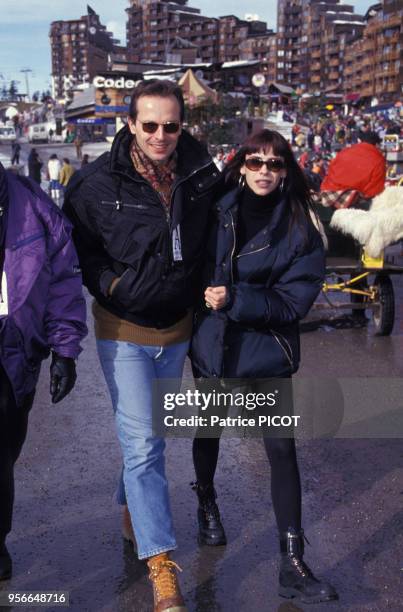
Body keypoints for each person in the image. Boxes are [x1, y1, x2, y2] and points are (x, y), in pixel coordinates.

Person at [63, 79, 222, 612]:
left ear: (183, 127)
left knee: (150, 438)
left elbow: (223, 237)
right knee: (145, 448)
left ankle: (133, 507)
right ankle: (162, 569)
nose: (160, 135)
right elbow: (79, 249)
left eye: (171, 126)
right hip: (123, 329)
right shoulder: (94, 183)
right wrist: (110, 285)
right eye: (149, 124)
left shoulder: (202, 176)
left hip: (177, 328)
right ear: (129, 123)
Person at [190, 129, 338, 605]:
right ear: (241, 165)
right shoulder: (218, 208)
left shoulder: (300, 226)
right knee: (209, 428)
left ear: (287, 169)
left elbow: (294, 302)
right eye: (255, 162)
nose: (264, 172)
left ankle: (292, 562)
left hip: (267, 345)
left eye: (274, 164)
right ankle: (207, 500)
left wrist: (236, 297)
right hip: (215, 341)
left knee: (281, 450)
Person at [0, 161, 87, 581]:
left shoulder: (32, 203)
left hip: (13, 348)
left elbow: (64, 279)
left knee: (4, 452)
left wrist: (65, 351)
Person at [321, 130, 386, 200]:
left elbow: (330, 172)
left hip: (329, 193)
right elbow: (374, 190)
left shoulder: (344, 152)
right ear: (376, 144)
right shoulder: (378, 160)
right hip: (353, 201)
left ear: (360, 141)